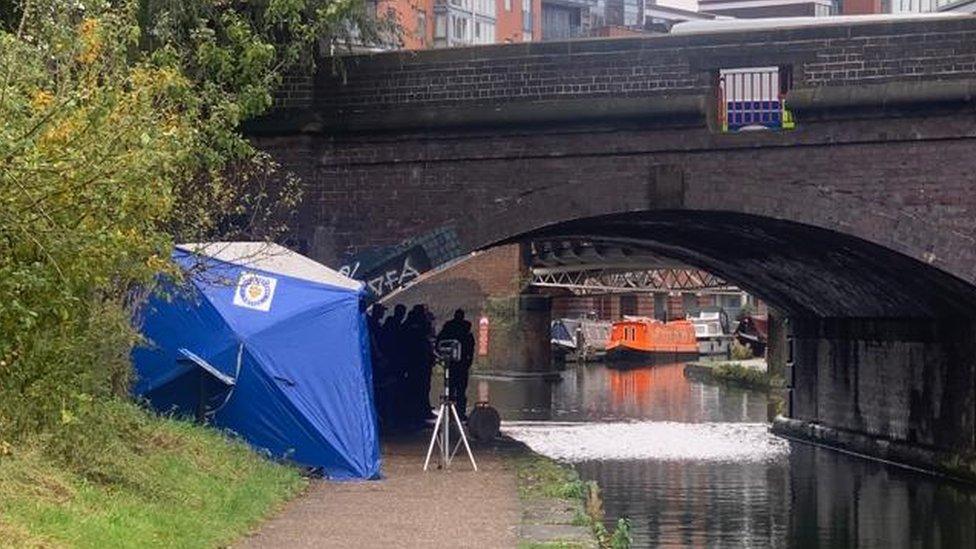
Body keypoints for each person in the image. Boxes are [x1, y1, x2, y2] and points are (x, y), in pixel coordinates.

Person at [437, 309, 475, 420]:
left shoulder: (448, 328)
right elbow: (471, 348)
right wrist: (469, 361)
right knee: (460, 390)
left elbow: (440, 343)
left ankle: (451, 413)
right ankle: (459, 413)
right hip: (460, 364)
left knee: (451, 388)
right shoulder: (465, 329)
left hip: (452, 364)